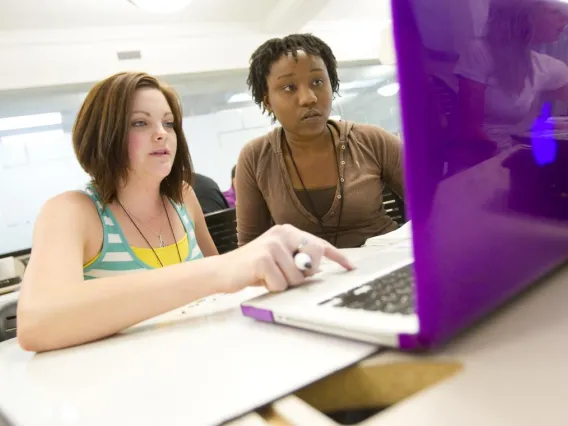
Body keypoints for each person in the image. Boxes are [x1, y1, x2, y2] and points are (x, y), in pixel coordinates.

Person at [16, 72, 354, 353]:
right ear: (103, 135)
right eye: (139, 123)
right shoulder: (72, 211)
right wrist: (223, 268)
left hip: (202, 356)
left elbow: (223, 292)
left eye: (168, 123)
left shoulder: (184, 197)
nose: (162, 133)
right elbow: (37, 321)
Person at [236, 34, 405, 249]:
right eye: (289, 87)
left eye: (317, 82)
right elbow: (251, 247)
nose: (308, 98)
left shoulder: (371, 140)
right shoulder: (255, 157)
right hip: (309, 277)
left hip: (384, 264)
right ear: (267, 101)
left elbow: (432, 201)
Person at [454, 0, 568, 152]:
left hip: (517, 155)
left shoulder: (542, 65)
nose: (564, 18)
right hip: (485, 161)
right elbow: (470, 130)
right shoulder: (480, 52)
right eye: (554, 12)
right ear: (524, 15)